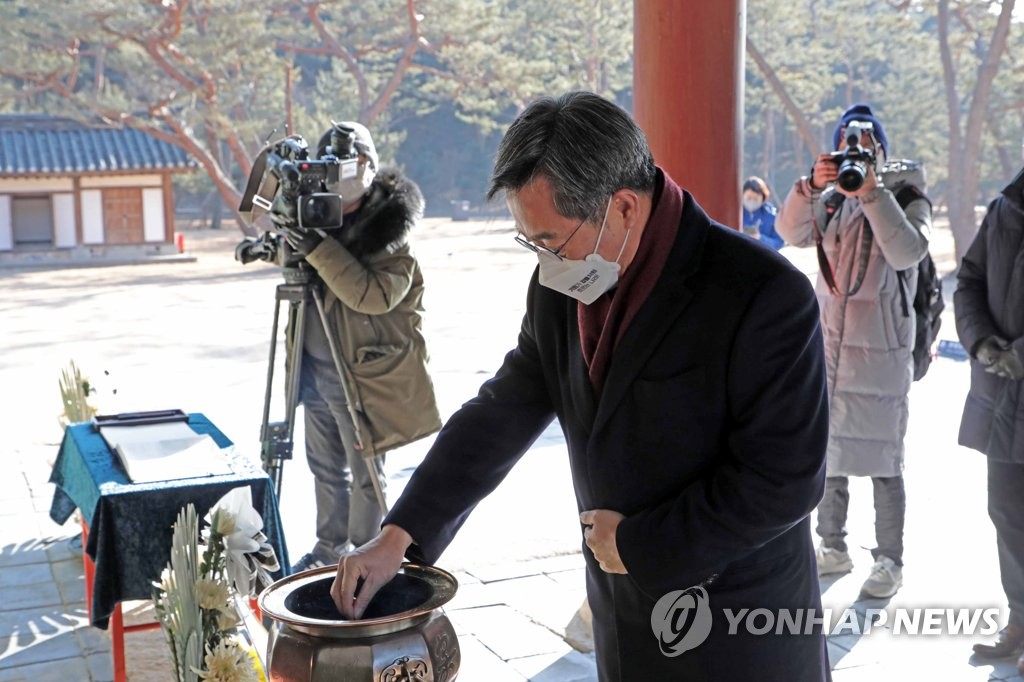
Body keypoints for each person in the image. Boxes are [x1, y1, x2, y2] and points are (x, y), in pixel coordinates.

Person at [330, 92, 831, 680]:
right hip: (625, 621)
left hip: (738, 625)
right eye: (531, 243)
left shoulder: (761, 294)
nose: (546, 262)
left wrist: (643, 546)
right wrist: (399, 534)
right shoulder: (563, 285)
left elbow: (784, 480)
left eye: (553, 241)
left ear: (622, 206)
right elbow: (502, 410)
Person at [240, 121, 441, 574]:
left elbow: (370, 295)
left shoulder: (392, 231)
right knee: (325, 467)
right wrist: (271, 247)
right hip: (313, 367)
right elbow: (305, 251)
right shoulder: (320, 214)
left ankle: (365, 552)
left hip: (363, 375)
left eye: (344, 167)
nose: (335, 181)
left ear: (367, 165)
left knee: (366, 472)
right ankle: (329, 548)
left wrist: (314, 245)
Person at [776, 103, 930, 598]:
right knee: (831, 452)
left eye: (865, 151)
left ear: (881, 153)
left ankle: (890, 561)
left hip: (882, 351)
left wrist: (873, 194)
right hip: (829, 345)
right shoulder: (830, 195)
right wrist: (808, 188)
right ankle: (833, 546)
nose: (856, 160)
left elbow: (908, 252)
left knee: (884, 461)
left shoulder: (906, 195)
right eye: (848, 149)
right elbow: (791, 234)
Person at [955, 166, 1024, 675]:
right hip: (1004, 394)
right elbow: (970, 279)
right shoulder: (1007, 206)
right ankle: (1021, 620)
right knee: (1007, 511)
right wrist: (980, 342)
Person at [741, 175, 784, 249]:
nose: (752, 201)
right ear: (742, 195)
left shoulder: (771, 215)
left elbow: (779, 242)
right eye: (749, 197)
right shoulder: (734, 213)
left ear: (763, 198)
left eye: (756, 199)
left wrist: (759, 238)